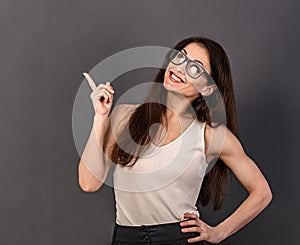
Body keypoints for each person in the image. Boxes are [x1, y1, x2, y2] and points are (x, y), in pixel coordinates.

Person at [78, 36, 273, 244]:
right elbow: (89, 183)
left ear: (207, 89)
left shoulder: (210, 135)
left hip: (177, 238)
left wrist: (219, 232)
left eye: (196, 68)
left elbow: (262, 192)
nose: (181, 68)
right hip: (125, 238)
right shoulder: (125, 116)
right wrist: (100, 117)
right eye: (181, 57)